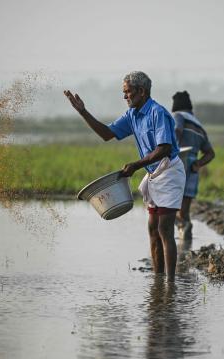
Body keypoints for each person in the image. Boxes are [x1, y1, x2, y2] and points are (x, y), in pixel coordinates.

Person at [64, 71, 186, 282]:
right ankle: (158, 281)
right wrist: (83, 112)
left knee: (164, 228)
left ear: (142, 91)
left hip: (168, 172)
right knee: (153, 229)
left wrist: (136, 165)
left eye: (128, 92)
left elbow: (164, 148)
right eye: (124, 92)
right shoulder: (132, 115)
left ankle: (170, 284)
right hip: (153, 173)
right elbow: (106, 134)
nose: (125, 96)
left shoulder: (158, 113)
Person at [171, 91, 215, 240]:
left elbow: (177, 130)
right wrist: (198, 163)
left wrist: (171, 148)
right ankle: (186, 242)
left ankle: (181, 231)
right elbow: (210, 153)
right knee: (184, 211)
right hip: (192, 168)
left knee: (165, 208)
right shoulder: (199, 126)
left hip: (178, 163)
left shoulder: (178, 116)